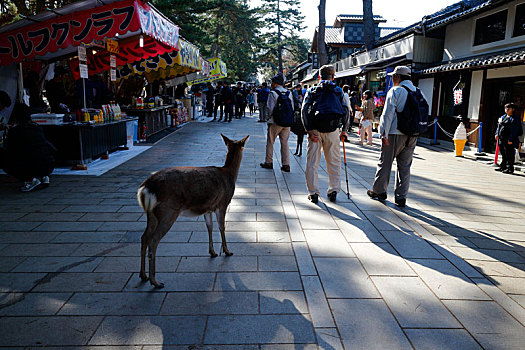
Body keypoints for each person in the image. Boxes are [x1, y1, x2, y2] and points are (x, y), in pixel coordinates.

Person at [367, 66, 428, 208]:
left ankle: (380, 191)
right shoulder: (418, 92)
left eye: (394, 76)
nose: (393, 78)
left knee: (385, 163)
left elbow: (387, 114)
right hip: (412, 134)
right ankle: (401, 197)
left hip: (395, 133)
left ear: (398, 77)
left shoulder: (396, 90)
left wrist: (383, 133)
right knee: (405, 166)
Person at [301, 65, 349, 203]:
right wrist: (344, 130)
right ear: (333, 77)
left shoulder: (312, 90)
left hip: (315, 130)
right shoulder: (339, 91)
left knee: (312, 162)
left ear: (320, 77)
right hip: (333, 130)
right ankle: (333, 189)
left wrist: (308, 130)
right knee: (334, 162)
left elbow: (304, 110)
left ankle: (313, 193)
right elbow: (345, 110)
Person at [1, 103, 55, 192]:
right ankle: (43, 177)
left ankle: (30, 179)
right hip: (48, 164)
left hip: (30, 165)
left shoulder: (15, 131)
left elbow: (11, 151)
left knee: (7, 157)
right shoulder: (37, 127)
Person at [260, 74, 294, 172]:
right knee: (285, 143)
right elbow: (291, 107)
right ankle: (286, 164)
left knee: (270, 142)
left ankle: (269, 162)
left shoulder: (273, 93)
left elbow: (270, 108)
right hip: (286, 123)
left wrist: (268, 119)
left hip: (275, 122)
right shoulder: (289, 93)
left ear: (275, 83)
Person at [495, 103, 522, 174]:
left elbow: (514, 130)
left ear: (512, 109)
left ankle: (510, 168)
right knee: (503, 153)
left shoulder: (515, 118)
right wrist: (496, 133)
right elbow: (499, 126)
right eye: (505, 108)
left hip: (509, 138)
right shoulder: (503, 117)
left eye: (508, 108)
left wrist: (511, 139)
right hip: (501, 138)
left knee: (509, 153)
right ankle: (503, 166)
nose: (506, 109)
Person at [291, 84, 306, 156]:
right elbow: (297, 100)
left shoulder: (299, 93)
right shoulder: (295, 92)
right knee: (300, 137)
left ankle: (299, 151)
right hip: (299, 111)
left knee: (300, 137)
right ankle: (298, 151)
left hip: (299, 113)